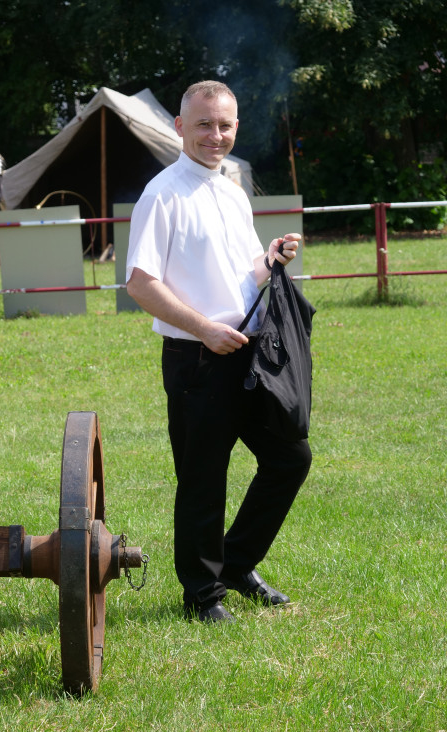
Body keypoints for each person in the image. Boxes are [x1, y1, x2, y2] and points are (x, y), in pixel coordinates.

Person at [124, 80, 312, 624]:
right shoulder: (162, 193)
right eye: (203, 124)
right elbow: (140, 283)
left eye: (225, 124)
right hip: (197, 361)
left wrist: (271, 259)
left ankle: (235, 564)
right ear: (180, 127)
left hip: (249, 355)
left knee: (289, 457)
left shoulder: (231, 189)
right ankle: (202, 596)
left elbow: (242, 274)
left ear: (236, 128)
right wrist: (203, 328)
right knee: (203, 479)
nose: (215, 134)